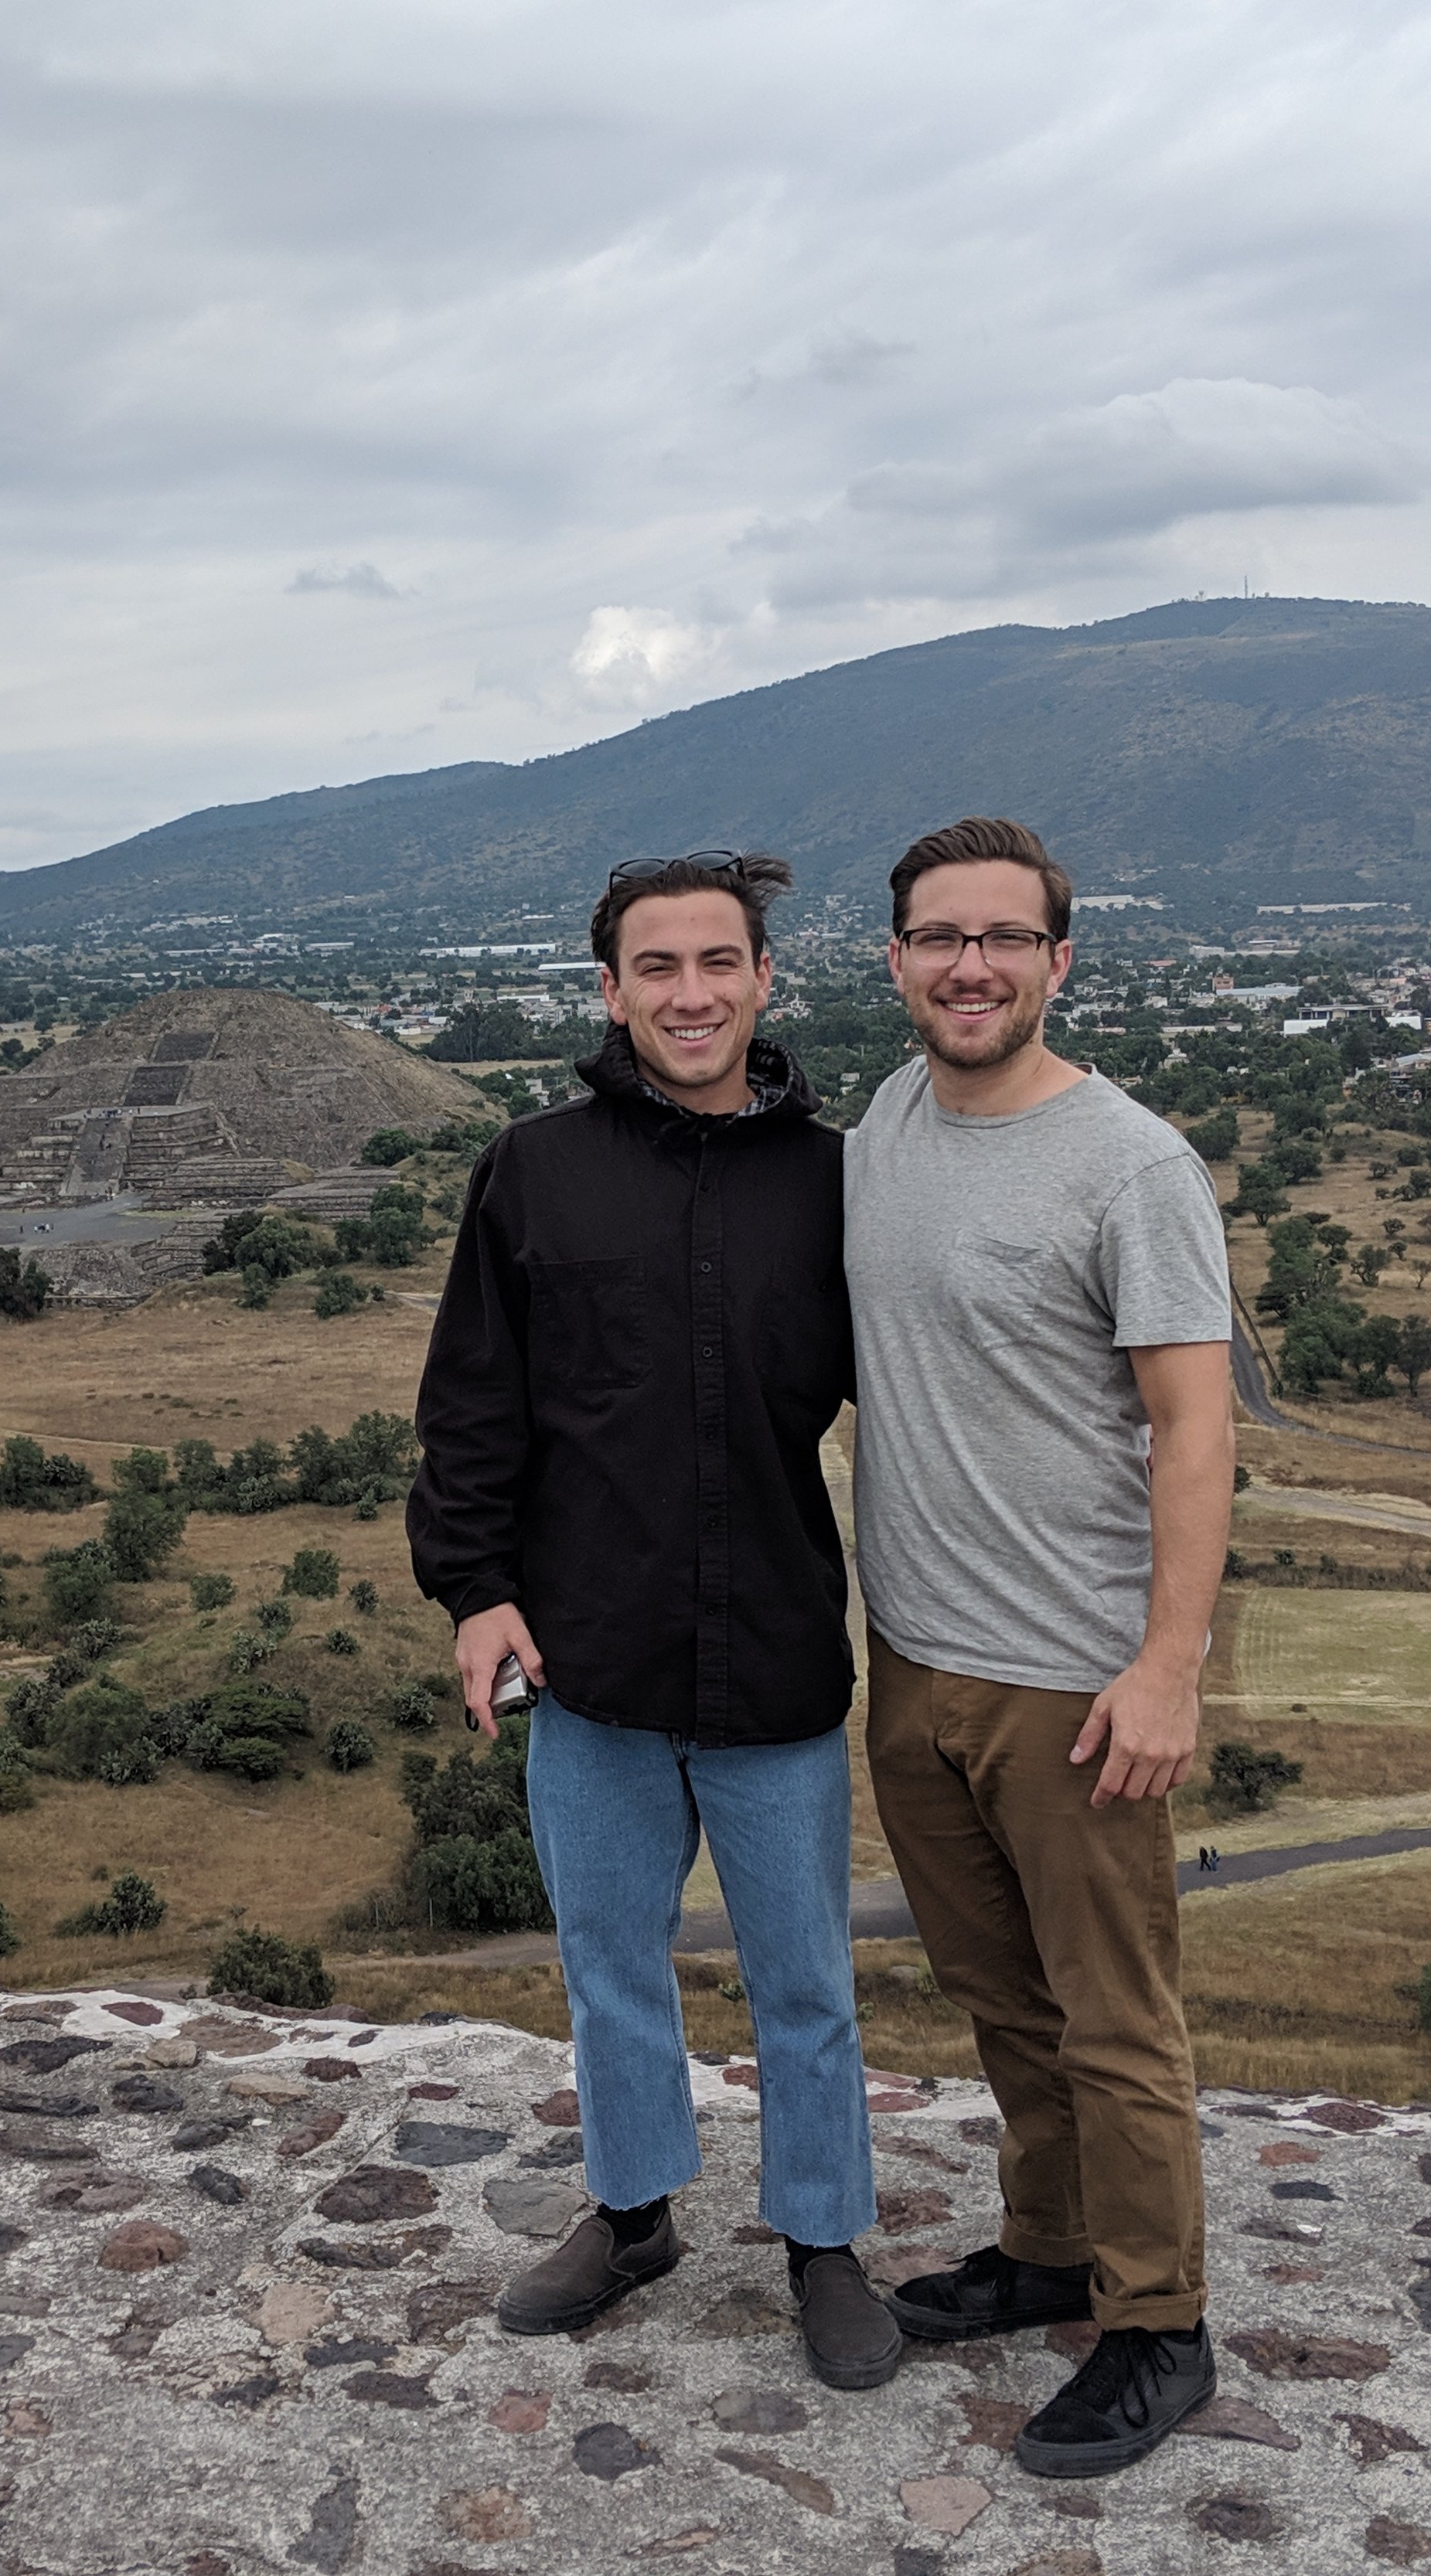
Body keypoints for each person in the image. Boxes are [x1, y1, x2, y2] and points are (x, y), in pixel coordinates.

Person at [406, 850, 897, 2389]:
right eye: (655, 967)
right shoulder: (533, 1168)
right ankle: (629, 2215)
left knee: (801, 1972)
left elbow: (929, 1391)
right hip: (592, 1654)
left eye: (716, 963)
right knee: (607, 1955)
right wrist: (474, 1588)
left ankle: (821, 2237)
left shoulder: (835, 1177)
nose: (688, 994)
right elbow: (474, 1400)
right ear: (608, 990)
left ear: (760, 978)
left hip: (770, 1653)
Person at [845, 815, 1234, 2477]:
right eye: (940, 937)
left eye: (1005, 938)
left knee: (1113, 2015)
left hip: (1072, 1680)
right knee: (1001, 1999)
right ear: (896, 961)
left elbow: (1192, 1427)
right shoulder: (880, 1120)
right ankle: (1046, 2244)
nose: (971, 965)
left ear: (1058, 960)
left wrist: (1166, 1663)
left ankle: (1156, 2324)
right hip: (913, 1661)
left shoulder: (1127, 1161)